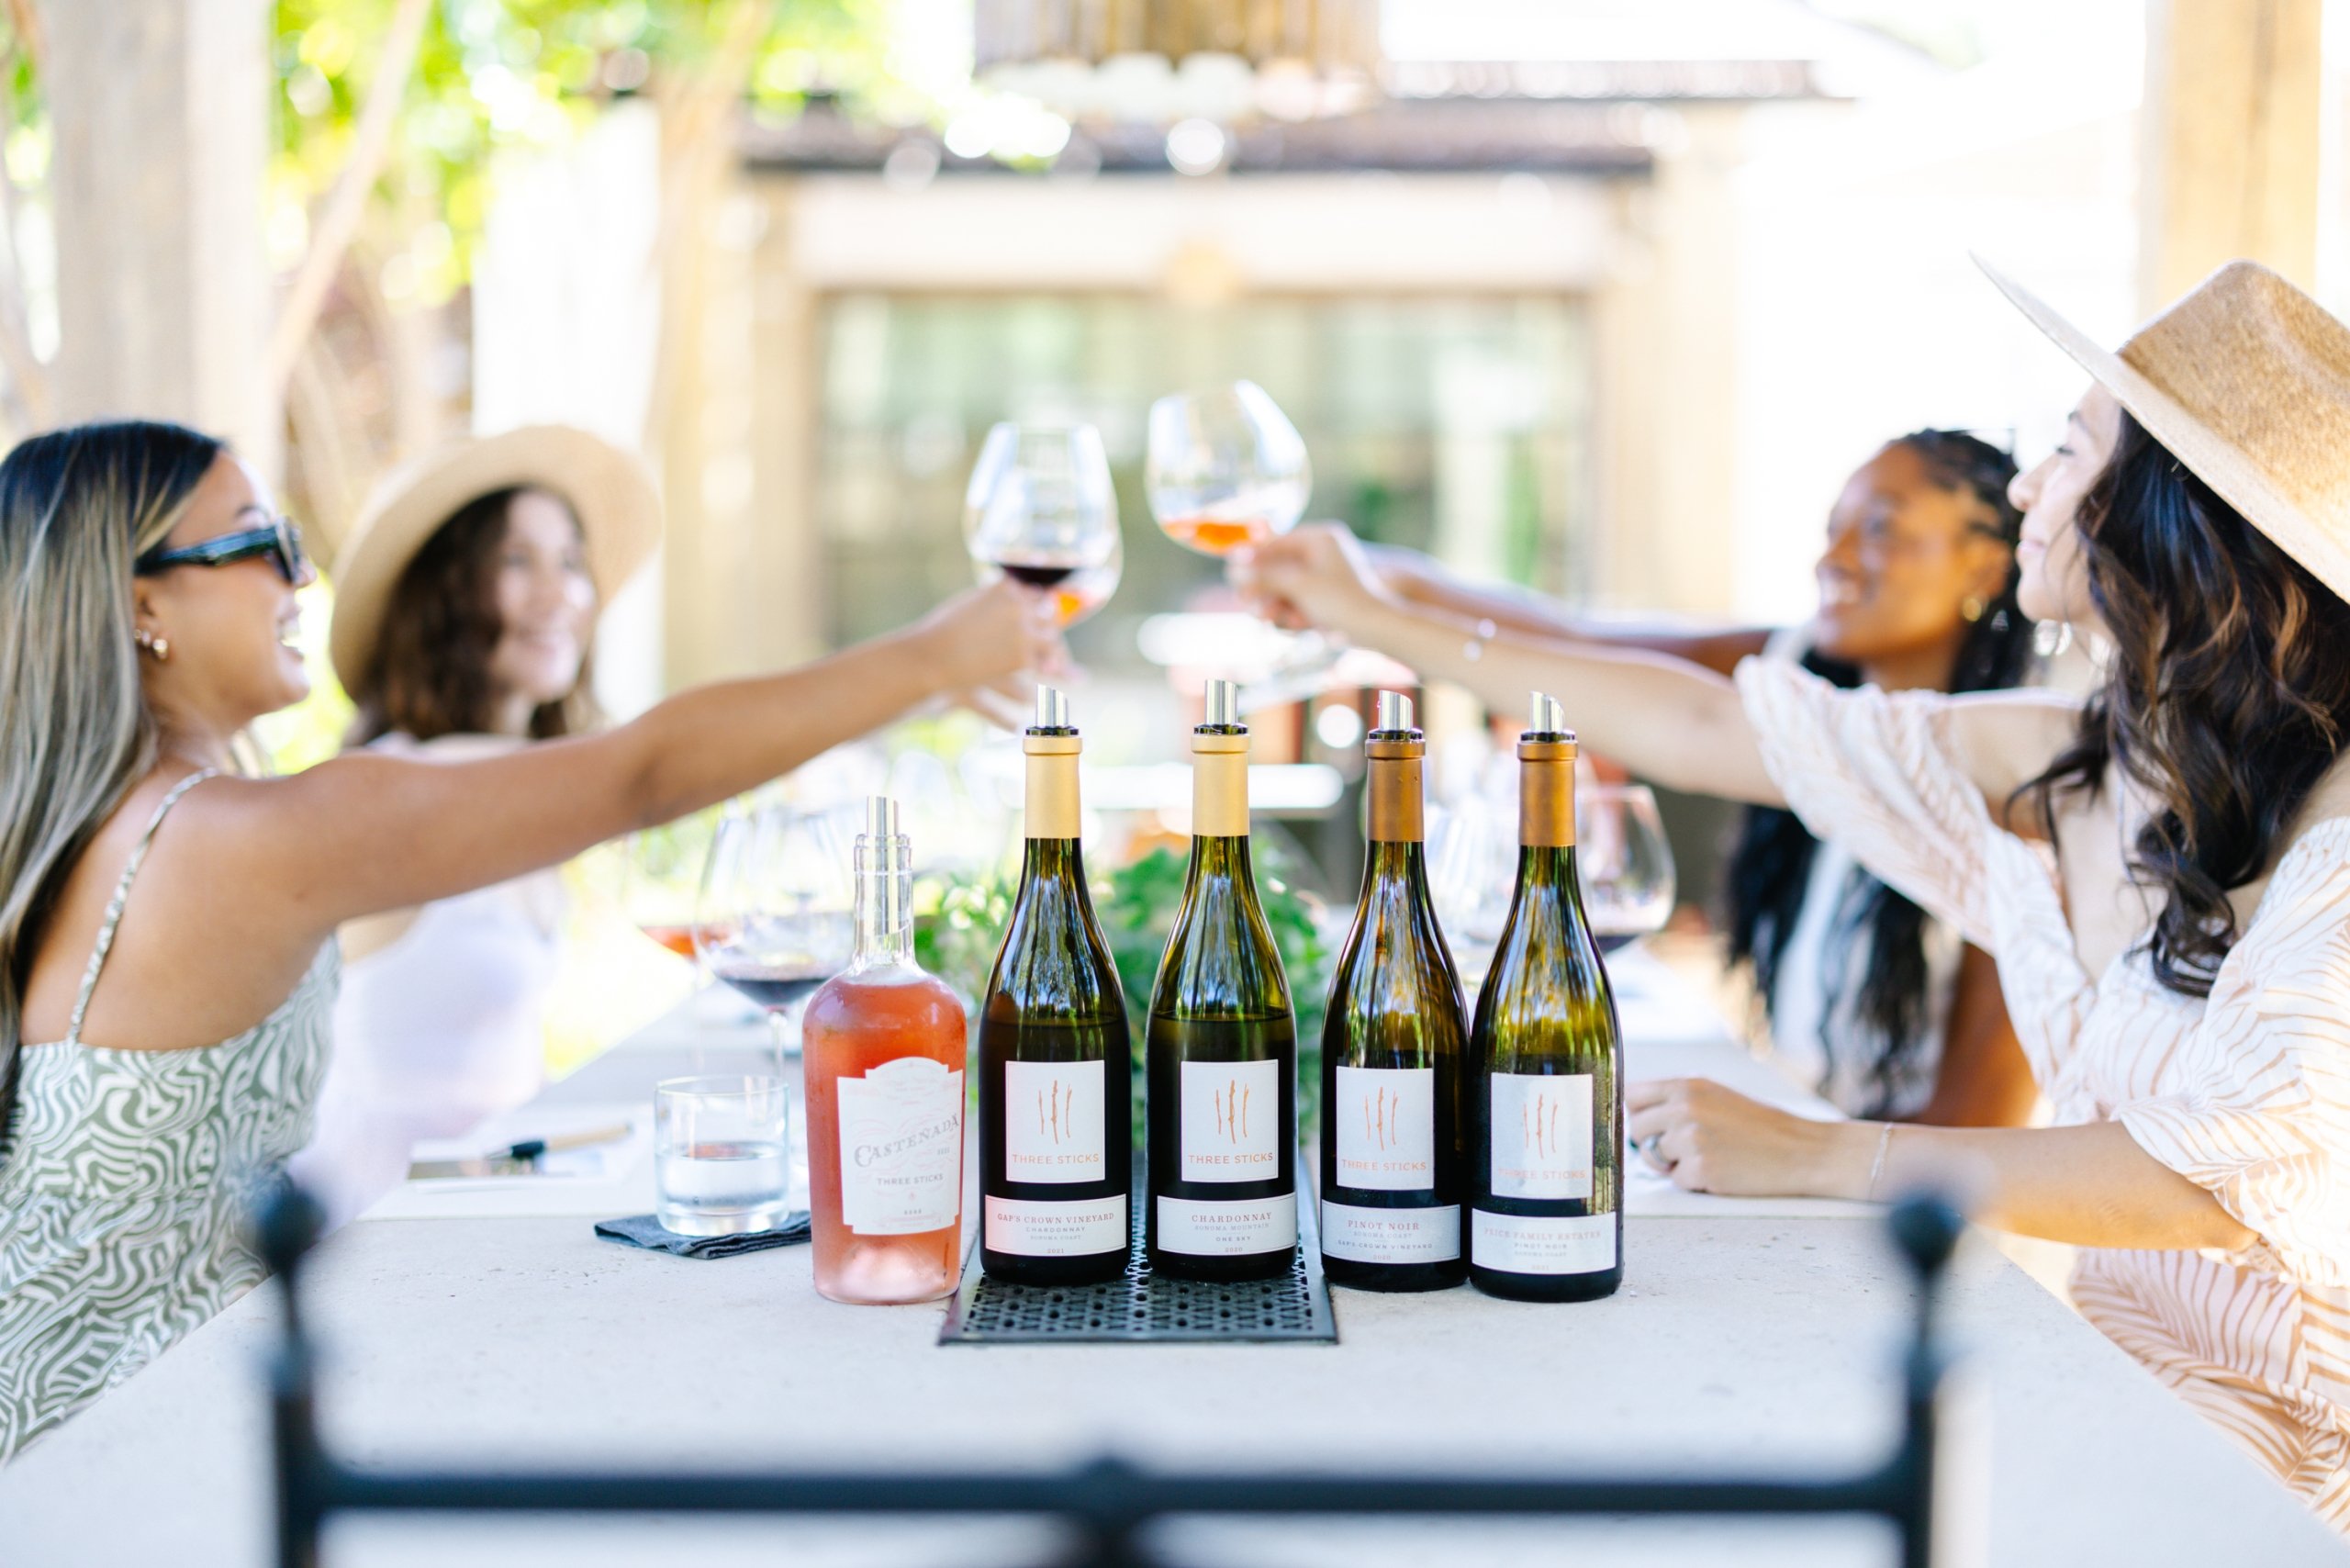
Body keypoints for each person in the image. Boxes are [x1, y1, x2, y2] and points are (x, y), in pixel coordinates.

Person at [1243, 259, 2350, 1523]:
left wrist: (1819, 1152)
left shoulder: (2338, 834)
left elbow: (2207, 1187)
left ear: (2173, 519)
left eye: (2067, 449)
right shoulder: (2078, 761)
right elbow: (1712, 726)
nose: (2028, 489)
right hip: (2105, 1410)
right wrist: (1373, 615)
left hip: (2277, 1486)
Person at [0, 419, 1059, 1459]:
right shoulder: (225, 841)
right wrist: (931, 655)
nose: (300, 574)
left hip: (143, 1396)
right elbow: (639, 774)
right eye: (262, 543)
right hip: (109, 1440)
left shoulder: (128, 824)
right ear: (143, 603)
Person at [1246, 431, 2041, 1126]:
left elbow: (1976, 1134)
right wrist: (1382, 580)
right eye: (1831, 531)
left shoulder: (2018, 785)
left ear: (1985, 565)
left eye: (1878, 529)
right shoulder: (1805, 674)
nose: (1830, 560)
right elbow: (1584, 646)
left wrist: (1786, 1152)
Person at [290, 429, 662, 1228]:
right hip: (378, 1222)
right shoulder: (403, 787)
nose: (559, 593)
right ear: (444, 595)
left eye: (571, 561)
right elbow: (645, 772)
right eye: (516, 560)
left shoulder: (525, 779)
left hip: (501, 1200)